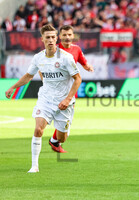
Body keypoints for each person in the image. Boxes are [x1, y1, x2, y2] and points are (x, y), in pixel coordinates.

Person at [5, 24, 82, 173]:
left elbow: (77, 79)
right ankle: (34, 166)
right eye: (48, 37)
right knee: (38, 129)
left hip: (64, 103)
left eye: (53, 37)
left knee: (62, 138)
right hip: (45, 99)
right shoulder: (38, 58)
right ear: (42, 39)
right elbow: (28, 76)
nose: (51, 40)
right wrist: (12, 87)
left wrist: (67, 99)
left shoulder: (66, 58)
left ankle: (60, 134)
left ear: (56, 38)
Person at [47, 25, 93, 153]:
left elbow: (83, 62)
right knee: (59, 117)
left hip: (71, 89)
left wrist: (88, 67)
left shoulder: (76, 49)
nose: (67, 37)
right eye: (64, 35)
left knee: (66, 119)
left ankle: (54, 140)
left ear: (73, 36)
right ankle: (49, 140)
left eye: (69, 35)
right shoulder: (54, 50)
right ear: (59, 36)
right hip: (56, 89)